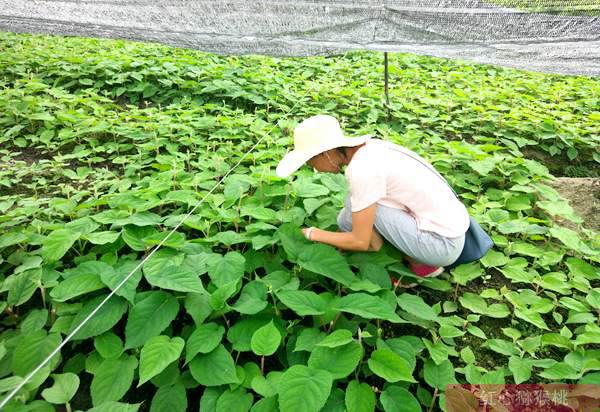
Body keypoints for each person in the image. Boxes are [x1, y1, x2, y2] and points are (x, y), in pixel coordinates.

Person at [275, 114, 470, 280]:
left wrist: (311, 233)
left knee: (357, 208)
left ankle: (421, 264)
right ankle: (402, 253)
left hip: (441, 245)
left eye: (311, 161)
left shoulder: (361, 169)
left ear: (325, 153)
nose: (314, 169)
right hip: (448, 227)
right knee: (348, 214)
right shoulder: (370, 148)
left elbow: (362, 241)